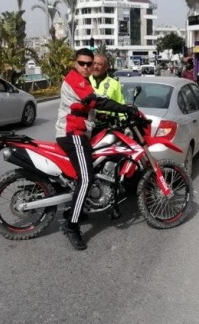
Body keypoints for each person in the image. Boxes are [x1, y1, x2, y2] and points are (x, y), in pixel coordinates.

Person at [56, 48, 140, 250]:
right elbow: (97, 101)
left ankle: (78, 208)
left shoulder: (88, 81)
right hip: (73, 134)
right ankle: (71, 226)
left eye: (89, 63)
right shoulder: (76, 79)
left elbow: (87, 108)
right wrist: (126, 109)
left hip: (81, 132)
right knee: (87, 178)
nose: (86, 67)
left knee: (87, 172)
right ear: (75, 63)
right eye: (82, 63)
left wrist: (106, 117)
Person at [89, 53, 126, 135]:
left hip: (108, 126)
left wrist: (124, 123)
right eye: (94, 63)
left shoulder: (114, 83)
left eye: (99, 64)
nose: (96, 67)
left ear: (105, 67)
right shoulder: (85, 80)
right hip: (88, 124)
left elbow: (120, 104)